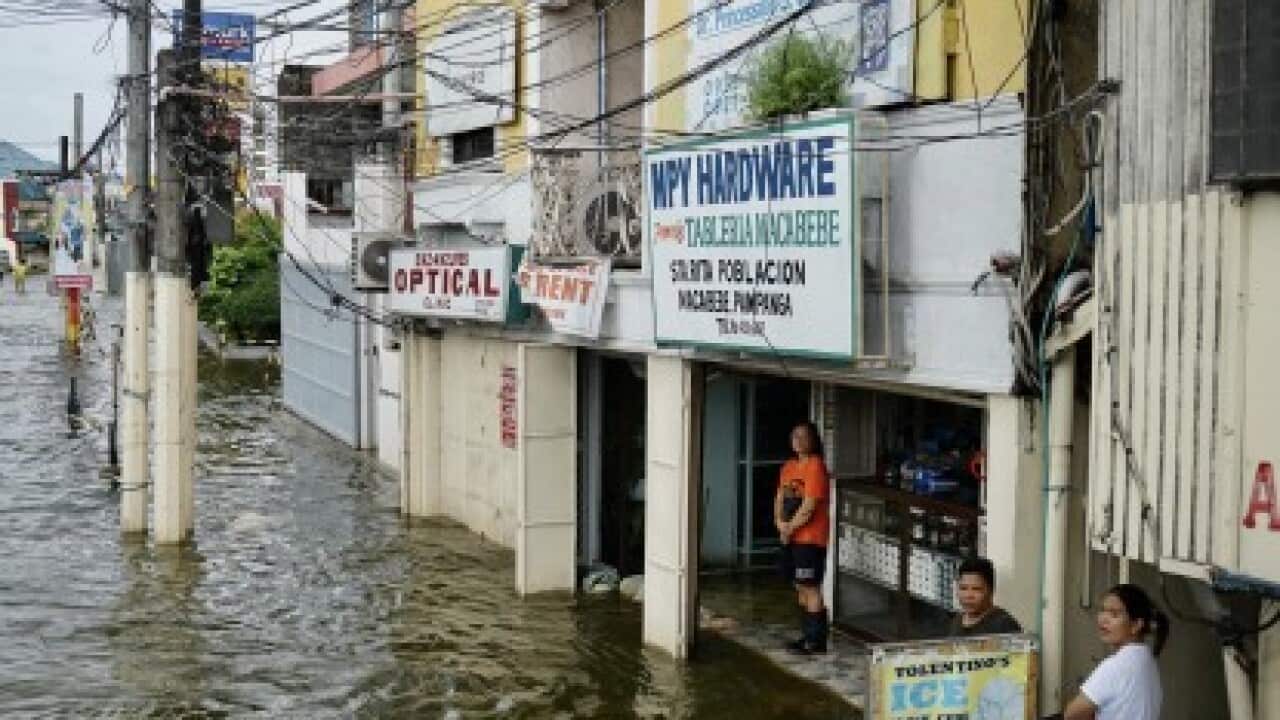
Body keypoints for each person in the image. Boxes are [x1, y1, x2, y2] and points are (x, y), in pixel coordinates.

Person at [1063, 583, 1167, 720]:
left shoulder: (1117, 666)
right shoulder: (1147, 661)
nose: (1103, 619)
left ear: (1136, 625)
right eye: (1102, 610)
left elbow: (1072, 715)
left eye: (1114, 614)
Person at [774, 420, 831, 654]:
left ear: (813, 440)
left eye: (803, 436)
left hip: (810, 538)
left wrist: (790, 527)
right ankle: (806, 634)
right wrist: (780, 522)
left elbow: (809, 506)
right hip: (792, 537)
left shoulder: (816, 466)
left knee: (810, 586)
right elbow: (779, 497)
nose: (797, 440)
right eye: (794, 436)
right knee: (799, 585)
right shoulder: (788, 467)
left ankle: (816, 641)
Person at [948, 557, 1022, 636]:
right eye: (963, 588)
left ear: (991, 591)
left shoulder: (1005, 625)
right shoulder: (957, 621)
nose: (968, 595)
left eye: (976, 589)